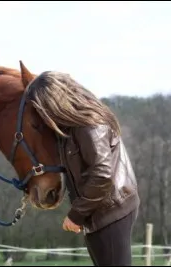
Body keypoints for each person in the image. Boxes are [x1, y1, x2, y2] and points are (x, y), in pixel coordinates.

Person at [27, 71, 140, 266]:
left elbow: (102, 175)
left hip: (111, 210)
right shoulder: (69, 128)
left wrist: (76, 215)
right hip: (99, 212)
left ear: (54, 101)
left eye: (42, 107)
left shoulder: (89, 125)